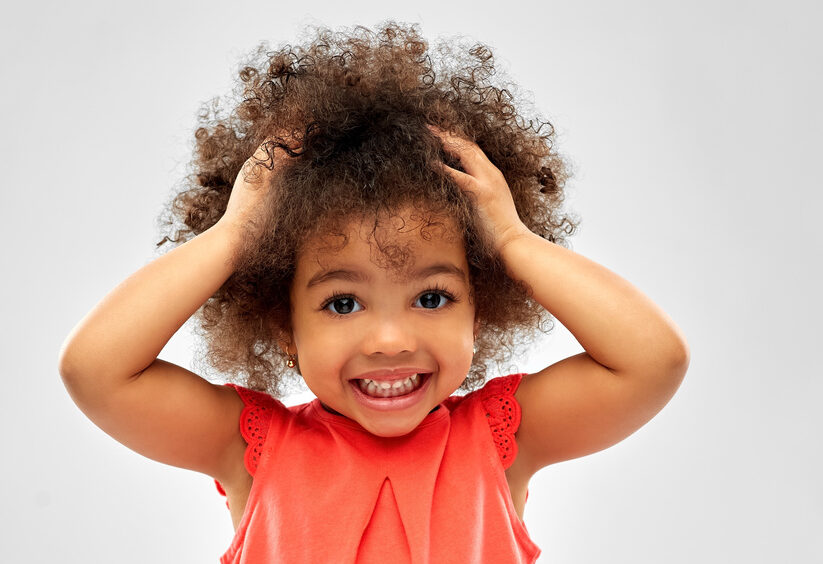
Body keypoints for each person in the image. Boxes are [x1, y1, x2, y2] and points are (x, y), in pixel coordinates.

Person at [58, 22, 690, 563]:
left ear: (483, 302)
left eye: (433, 297)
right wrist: (233, 236)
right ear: (284, 322)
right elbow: (96, 372)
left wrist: (513, 239)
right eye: (342, 303)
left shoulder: (499, 440)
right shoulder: (252, 448)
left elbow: (652, 361)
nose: (390, 340)